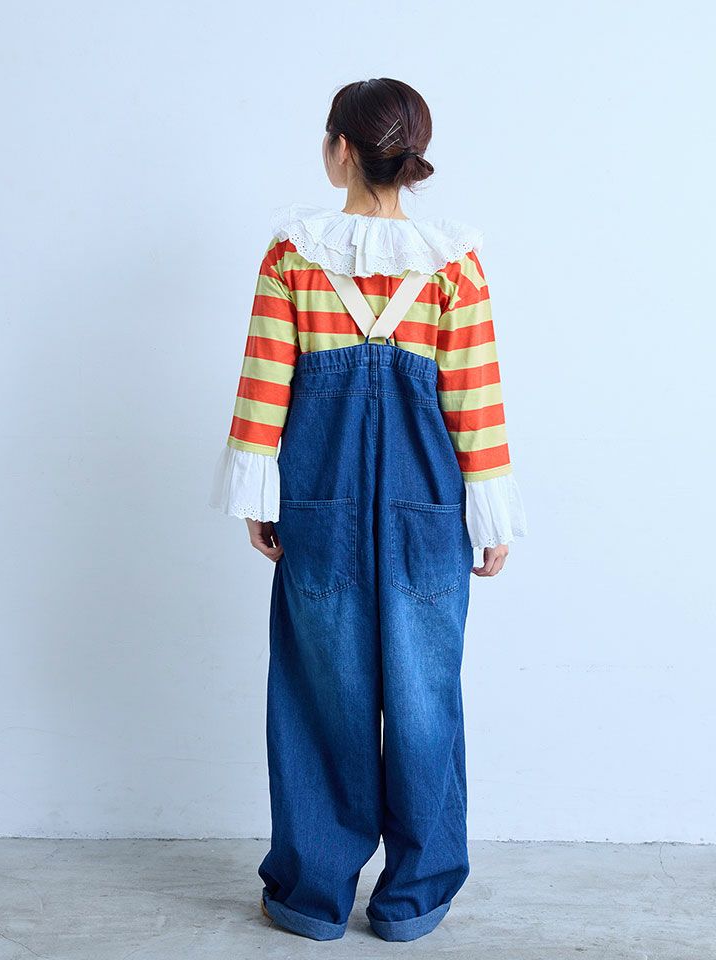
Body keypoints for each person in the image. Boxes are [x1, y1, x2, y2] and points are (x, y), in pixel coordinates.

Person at [209, 77, 527, 943]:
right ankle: (414, 899)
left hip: (319, 506)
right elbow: (475, 401)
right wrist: (489, 516)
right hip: (432, 511)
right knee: (426, 698)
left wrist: (258, 498)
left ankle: (311, 898)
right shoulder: (454, 265)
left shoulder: (293, 257)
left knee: (321, 697)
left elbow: (264, 383)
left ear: (341, 148)